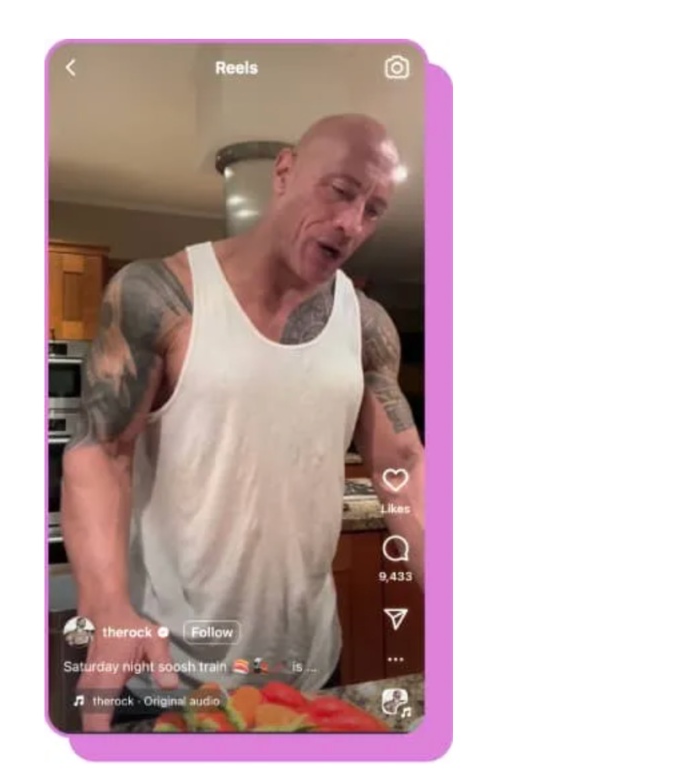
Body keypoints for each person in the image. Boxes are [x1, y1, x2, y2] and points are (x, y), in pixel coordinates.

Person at [59, 113, 425, 731]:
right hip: (166, 672)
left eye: (373, 210)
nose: (352, 223)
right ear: (284, 172)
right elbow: (101, 449)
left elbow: (404, 466)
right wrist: (105, 604)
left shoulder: (366, 325)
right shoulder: (162, 294)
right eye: (341, 191)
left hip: (306, 666)